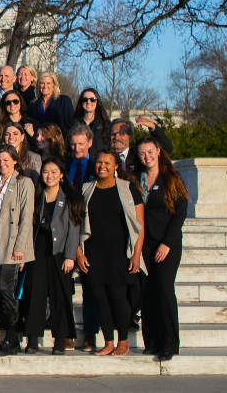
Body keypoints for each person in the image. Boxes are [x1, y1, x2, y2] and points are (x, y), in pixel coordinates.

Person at [78, 151, 145, 357]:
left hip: (119, 252)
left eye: (108, 162)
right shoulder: (86, 189)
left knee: (118, 296)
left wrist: (136, 254)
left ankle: (122, 342)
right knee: (99, 298)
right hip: (93, 252)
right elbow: (77, 223)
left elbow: (140, 226)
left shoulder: (127, 188)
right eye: (99, 161)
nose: (102, 166)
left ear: (116, 166)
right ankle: (108, 342)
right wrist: (79, 253)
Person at [23, 159, 83, 354]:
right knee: (35, 293)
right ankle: (32, 338)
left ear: (61, 175)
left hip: (60, 252)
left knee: (60, 296)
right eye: (46, 172)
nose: (49, 175)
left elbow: (74, 229)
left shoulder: (70, 198)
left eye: (54, 171)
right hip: (38, 249)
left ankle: (60, 339)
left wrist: (70, 256)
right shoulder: (36, 195)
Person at [136, 138, 188, 360]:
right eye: (141, 154)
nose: (146, 157)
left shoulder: (171, 177)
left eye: (150, 151)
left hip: (168, 242)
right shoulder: (136, 179)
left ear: (158, 151)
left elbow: (181, 211)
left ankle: (170, 342)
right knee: (147, 291)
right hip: (144, 242)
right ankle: (152, 340)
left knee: (164, 289)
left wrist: (167, 243)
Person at [0, 146, 36, 355]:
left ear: (15, 161)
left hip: (12, 245)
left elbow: (27, 218)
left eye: (6, 160)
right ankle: (10, 336)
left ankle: (12, 337)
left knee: (6, 289)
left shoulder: (23, 183)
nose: (2, 164)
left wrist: (20, 248)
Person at [66, 124, 98, 188]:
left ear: (90, 143)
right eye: (73, 144)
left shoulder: (96, 167)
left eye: (81, 144)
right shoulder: (63, 166)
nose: (77, 149)